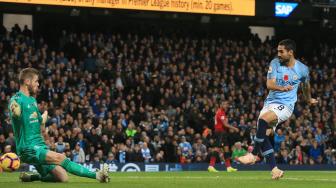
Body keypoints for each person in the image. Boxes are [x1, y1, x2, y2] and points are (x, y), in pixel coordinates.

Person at [8, 68, 109, 182]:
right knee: (61, 158)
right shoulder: (16, 99)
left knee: (62, 177)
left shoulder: (32, 100)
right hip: (28, 148)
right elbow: (15, 111)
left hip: (39, 145)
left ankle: (31, 177)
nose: (38, 84)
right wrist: (15, 112)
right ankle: (98, 176)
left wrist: (44, 116)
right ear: (27, 81)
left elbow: (39, 120)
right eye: (36, 81)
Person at [238, 39, 318, 180]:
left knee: (263, 120)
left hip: (285, 105)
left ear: (290, 52)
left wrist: (308, 99)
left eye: (281, 51)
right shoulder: (275, 63)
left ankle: (253, 154)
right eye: (278, 51)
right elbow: (269, 84)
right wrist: (282, 88)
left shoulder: (302, 69)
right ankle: (275, 170)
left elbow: (306, 86)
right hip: (270, 103)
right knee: (264, 133)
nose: (278, 54)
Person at [208, 101, 239, 172]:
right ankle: (211, 166)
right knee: (217, 148)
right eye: (224, 104)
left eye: (227, 104)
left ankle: (228, 167)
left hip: (223, 133)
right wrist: (234, 128)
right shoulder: (220, 112)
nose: (226, 106)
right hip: (220, 132)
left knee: (226, 149)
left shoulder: (222, 112)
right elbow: (225, 124)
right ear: (221, 105)